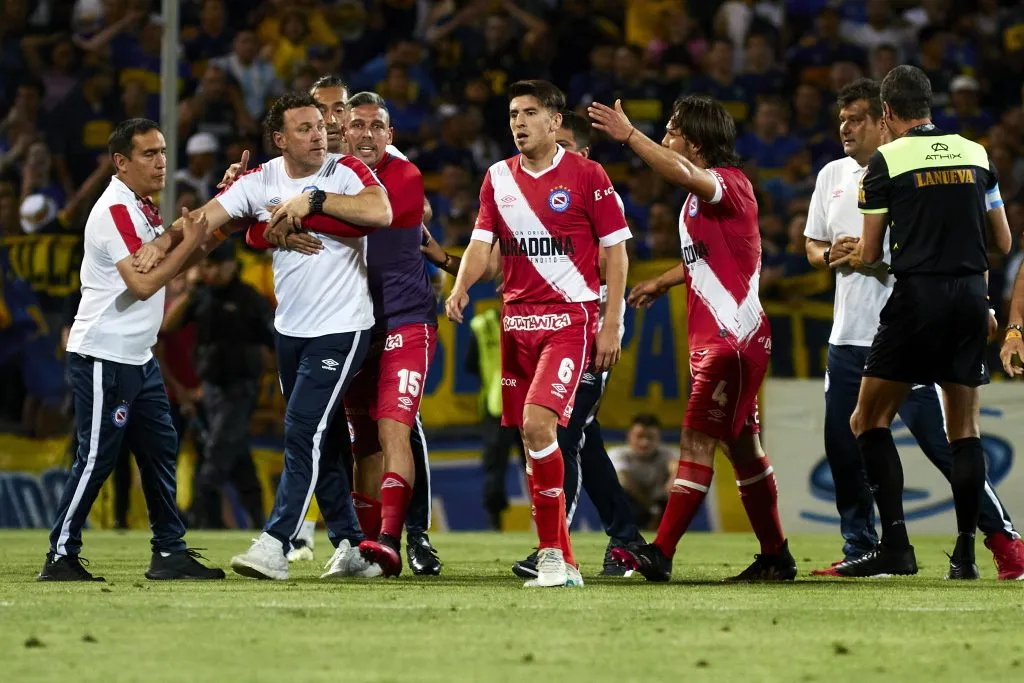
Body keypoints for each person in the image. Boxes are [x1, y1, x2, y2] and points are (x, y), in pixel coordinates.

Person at [136, 92, 393, 581]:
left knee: (300, 430)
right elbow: (204, 220)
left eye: (320, 125)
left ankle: (276, 542)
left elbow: (379, 212)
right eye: (305, 128)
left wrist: (313, 201)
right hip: (290, 331)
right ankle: (351, 547)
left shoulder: (346, 172)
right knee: (325, 435)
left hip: (342, 328)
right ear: (280, 139)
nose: (319, 133)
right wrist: (159, 244)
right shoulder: (263, 179)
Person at [804, 78, 1024, 579]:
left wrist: (854, 254)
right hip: (948, 304)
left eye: (857, 118)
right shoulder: (973, 152)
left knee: (872, 427)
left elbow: (871, 248)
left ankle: (906, 545)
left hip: (909, 310)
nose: (847, 127)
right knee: (959, 432)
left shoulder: (889, 164)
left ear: (885, 114)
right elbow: (1003, 240)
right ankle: (954, 554)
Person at [423, 112, 646, 576]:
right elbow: (502, 259)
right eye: (514, 117)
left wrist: (609, 323)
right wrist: (452, 269)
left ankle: (557, 546)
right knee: (576, 437)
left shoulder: (592, 188)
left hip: (585, 323)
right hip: (528, 326)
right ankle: (625, 539)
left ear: (578, 152)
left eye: (562, 142)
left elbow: (608, 263)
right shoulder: (512, 185)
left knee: (557, 430)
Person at [591, 94, 796, 582]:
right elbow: (710, 257)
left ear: (697, 140)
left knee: (695, 439)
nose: (665, 138)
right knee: (743, 449)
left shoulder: (728, 184)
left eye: (672, 130)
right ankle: (776, 556)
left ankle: (660, 552)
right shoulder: (700, 202)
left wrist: (630, 136)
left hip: (732, 342)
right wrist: (662, 281)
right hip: (730, 342)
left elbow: (684, 174)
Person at [251, 91, 435, 577]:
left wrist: (299, 209)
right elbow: (256, 226)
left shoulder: (404, 176)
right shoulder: (335, 174)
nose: (366, 134)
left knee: (397, 425)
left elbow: (380, 218)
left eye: (378, 127)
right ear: (343, 132)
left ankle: (404, 538)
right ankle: (359, 544)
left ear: (390, 135)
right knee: (356, 441)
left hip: (402, 317)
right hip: (351, 321)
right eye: (357, 126)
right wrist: (271, 219)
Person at [38, 118, 224, 581]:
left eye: (163, 151)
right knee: (98, 455)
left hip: (137, 357)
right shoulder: (115, 210)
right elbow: (143, 285)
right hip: (104, 354)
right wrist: (189, 242)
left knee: (161, 447)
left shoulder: (142, 209)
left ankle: (169, 551)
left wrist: (212, 228)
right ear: (120, 162)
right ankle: (60, 555)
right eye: (149, 154)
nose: (161, 161)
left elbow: (176, 263)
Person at [161, 238, 273, 530]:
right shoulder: (201, 296)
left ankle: (204, 522)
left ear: (231, 265)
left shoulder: (249, 299)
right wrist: (191, 289)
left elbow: (274, 341)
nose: (210, 271)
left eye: (215, 265)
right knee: (236, 455)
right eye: (206, 265)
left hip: (240, 389)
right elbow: (168, 326)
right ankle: (259, 519)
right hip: (210, 390)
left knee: (215, 454)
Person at [608, 414, 677, 529]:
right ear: (629, 436)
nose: (644, 443)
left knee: (681, 487)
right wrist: (650, 507)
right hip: (633, 504)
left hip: (660, 504)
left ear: (659, 438)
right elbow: (625, 481)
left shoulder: (668, 454)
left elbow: (677, 469)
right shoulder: (618, 454)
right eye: (639, 436)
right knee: (620, 494)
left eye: (650, 437)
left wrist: (673, 481)